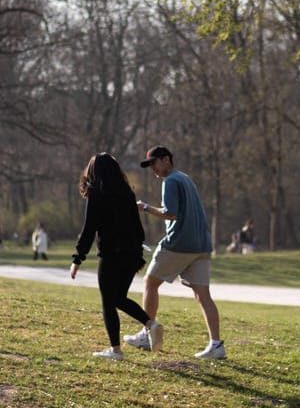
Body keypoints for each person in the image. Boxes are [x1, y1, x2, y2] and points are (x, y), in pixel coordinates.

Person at [125, 146, 224, 360]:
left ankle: (146, 333)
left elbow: (170, 214)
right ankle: (216, 345)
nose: (153, 169)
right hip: (202, 245)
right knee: (203, 295)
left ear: (166, 159)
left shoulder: (170, 181)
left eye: (154, 163)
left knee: (150, 283)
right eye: (149, 165)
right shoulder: (185, 178)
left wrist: (144, 207)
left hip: (179, 244)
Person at [69, 154, 152, 361]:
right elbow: (138, 229)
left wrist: (77, 259)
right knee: (118, 298)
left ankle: (115, 350)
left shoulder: (97, 194)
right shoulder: (127, 193)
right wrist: (137, 253)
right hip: (132, 253)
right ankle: (151, 324)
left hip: (111, 254)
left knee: (108, 301)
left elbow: (89, 230)